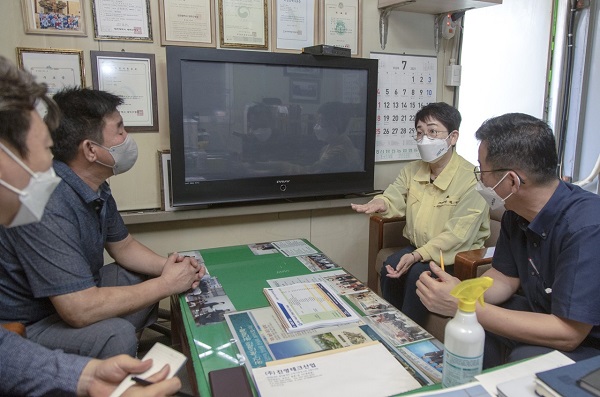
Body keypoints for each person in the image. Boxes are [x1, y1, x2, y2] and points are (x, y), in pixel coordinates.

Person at [0, 55, 181, 396]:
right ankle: (117, 349)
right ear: (90, 150)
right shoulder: (45, 201)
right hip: (33, 318)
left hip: (65, 298)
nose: (46, 162)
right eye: (42, 148)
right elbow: (78, 310)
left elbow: (123, 245)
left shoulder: (94, 187)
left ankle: (118, 359)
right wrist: (167, 285)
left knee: (140, 277)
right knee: (114, 332)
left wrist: (172, 269)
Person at [416, 113, 600, 368]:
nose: (479, 179)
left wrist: (461, 305)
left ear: (512, 180)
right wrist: (462, 293)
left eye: (483, 170)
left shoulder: (587, 227)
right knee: (473, 328)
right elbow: (503, 278)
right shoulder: (516, 212)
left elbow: (569, 334)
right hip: (543, 312)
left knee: (522, 357)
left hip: (587, 341)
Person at [351, 102, 490, 326]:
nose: (425, 139)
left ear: (453, 137)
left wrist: (417, 256)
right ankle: (389, 322)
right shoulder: (413, 170)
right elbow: (394, 195)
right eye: (419, 132)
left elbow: (458, 235)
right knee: (390, 267)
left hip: (454, 256)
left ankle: (408, 330)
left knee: (418, 275)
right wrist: (381, 202)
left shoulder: (472, 178)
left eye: (433, 132)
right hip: (418, 248)